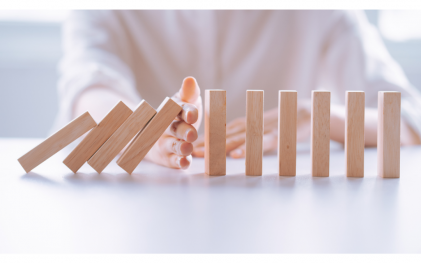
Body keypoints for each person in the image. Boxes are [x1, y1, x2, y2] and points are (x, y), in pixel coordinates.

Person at [54, 10, 421, 170]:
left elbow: (408, 120)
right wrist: (141, 128)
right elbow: (89, 86)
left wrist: (319, 118)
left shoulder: (326, 11)